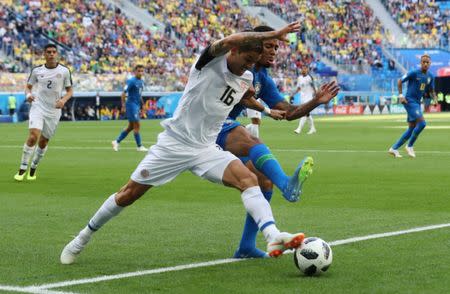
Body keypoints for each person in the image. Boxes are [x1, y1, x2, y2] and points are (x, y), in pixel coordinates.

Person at [60, 22, 314, 265]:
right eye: (246, 59)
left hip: (205, 148)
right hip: (174, 144)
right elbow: (229, 40)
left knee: (249, 180)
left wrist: (269, 111)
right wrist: (276, 33)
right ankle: (82, 238)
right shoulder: (210, 62)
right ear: (234, 51)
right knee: (128, 194)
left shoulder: (246, 77)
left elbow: (243, 98)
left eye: (251, 62)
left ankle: (272, 236)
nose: (247, 66)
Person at [216, 26, 340, 258]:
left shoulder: (263, 78)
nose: (274, 52)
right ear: (254, 46)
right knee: (251, 139)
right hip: (206, 124)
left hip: (220, 128)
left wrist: (315, 101)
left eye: (276, 47)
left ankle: (246, 247)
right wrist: (263, 108)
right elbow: (244, 94)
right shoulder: (235, 65)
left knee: (262, 180)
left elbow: (289, 112)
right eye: (269, 46)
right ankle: (287, 185)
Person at [13, 44, 73, 181]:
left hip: (53, 111)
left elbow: (70, 91)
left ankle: (33, 167)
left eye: (53, 52)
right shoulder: (36, 71)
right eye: (48, 52)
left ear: (57, 54)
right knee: (33, 136)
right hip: (38, 106)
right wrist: (28, 96)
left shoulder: (64, 71)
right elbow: (28, 88)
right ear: (44, 54)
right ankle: (22, 169)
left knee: (43, 142)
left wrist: (63, 100)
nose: (51, 54)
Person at [389, 55, 436, 158]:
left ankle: (394, 148)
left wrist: (435, 99)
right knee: (422, 123)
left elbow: (431, 89)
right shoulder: (414, 73)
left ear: (430, 64)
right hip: (409, 101)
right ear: (420, 62)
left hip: (417, 103)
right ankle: (410, 146)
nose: (425, 64)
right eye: (423, 62)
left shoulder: (430, 76)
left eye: (427, 62)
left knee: (411, 128)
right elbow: (400, 81)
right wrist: (401, 95)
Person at [112, 65, 148, 152]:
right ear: (135, 72)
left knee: (131, 127)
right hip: (131, 105)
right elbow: (123, 94)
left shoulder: (141, 82)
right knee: (137, 125)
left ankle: (116, 141)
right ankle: (139, 146)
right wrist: (123, 105)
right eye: (138, 71)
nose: (140, 73)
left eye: (142, 71)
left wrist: (143, 105)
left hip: (136, 105)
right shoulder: (131, 81)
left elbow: (139, 95)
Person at [294, 65, 317, 134]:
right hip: (302, 98)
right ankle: (313, 128)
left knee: (304, 112)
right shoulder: (299, 78)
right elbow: (298, 88)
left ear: (307, 70)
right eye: (302, 69)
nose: (303, 70)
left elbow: (313, 87)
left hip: (309, 97)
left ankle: (299, 129)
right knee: (307, 114)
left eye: (305, 69)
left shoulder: (309, 78)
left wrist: (316, 95)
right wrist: (293, 94)